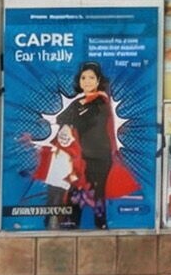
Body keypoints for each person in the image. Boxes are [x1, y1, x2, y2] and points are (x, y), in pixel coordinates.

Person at [54, 62, 140, 229]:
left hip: (100, 156)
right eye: (83, 77)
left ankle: (100, 225)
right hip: (82, 156)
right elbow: (61, 118)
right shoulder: (80, 103)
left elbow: (87, 120)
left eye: (91, 78)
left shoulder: (101, 101)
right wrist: (66, 123)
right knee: (76, 190)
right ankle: (73, 224)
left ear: (98, 80)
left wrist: (70, 121)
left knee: (96, 192)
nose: (87, 81)